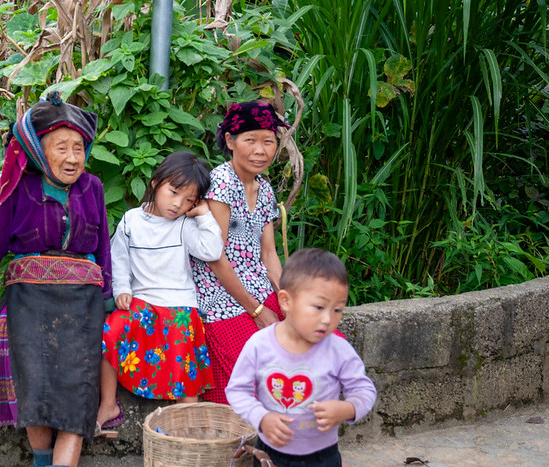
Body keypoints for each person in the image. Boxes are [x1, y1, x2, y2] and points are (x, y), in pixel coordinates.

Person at [0, 92, 112, 467]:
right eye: (61, 148)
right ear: (39, 153)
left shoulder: (92, 188)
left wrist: (110, 303)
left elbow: (103, 251)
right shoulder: (21, 190)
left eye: (78, 148)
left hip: (83, 305)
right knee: (36, 391)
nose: (72, 157)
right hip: (29, 304)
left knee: (78, 397)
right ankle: (42, 461)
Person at [97, 152, 223, 430]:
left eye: (189, 200)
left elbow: (212, 250)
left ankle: (189, 424)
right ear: (155, 183)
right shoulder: (132, 220)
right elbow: (118, 257)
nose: (178, 204)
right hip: (142, 302)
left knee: (184, 359)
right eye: (174, 192)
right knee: (110, 331)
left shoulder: (185, 225)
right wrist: (121, 289)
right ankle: (108, 404)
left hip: (179, 306)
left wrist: (203, 215)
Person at [225, 248, 377, 466]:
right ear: (286, 301)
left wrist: (348, 408)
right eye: (318, 307)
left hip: (323, 455)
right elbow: (237, 390)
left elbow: (364, 390)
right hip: (270, 453)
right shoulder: (260, 345)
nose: (327, 319)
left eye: (337, 310)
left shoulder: (338, 349)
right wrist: (262, 417)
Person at [190, 100, 288, 405]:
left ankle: (301, 442)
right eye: (250, 140)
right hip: (221, 298)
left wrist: (288, 301)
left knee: (314, 344)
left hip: (257, 289)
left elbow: (270, 256)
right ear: (230, 142)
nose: (261, 150)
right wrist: (257, 311)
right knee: (251, 371)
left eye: (268, 141)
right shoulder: (221, 183)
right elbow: (215, 257)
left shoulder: (265, 188)